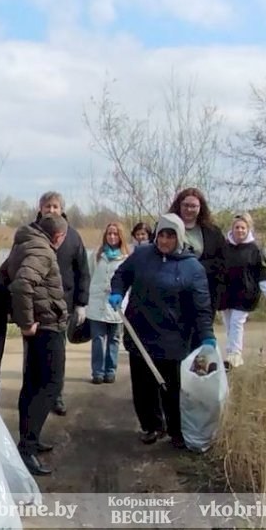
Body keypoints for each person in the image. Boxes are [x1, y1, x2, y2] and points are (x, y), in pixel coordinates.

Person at [110, 213, 216, 449]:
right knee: (143, 387)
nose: (164, 241)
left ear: (179, 237)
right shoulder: (141, 255)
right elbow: (122, 274)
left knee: (172, 389)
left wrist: (207, 336)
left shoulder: (192, 267)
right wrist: (117, 291)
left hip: (174, 337)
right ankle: (151, 426)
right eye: (161, 235)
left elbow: (202, 307)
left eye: (170, 236)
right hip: (140, 333)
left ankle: (177, 430)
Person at [0, 213, 70, 476]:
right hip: (46, 326)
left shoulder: (23, 244)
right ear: (59, 236)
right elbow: (22, 284)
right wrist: (26, 322)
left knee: (32, 385)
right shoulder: (43, 251)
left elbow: (3, 275)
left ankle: (30, 439)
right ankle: (27, 449)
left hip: (41, 326)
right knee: (50, 385)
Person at [37, 191, 89, 415]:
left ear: (62, 209)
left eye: (55, 206)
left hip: (63, 306)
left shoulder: (73, 237)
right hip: (36, 306)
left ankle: (55, 396)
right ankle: (35, 396)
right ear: (40, 209)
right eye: (47, 206)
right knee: (34, 355)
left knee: (57, 355)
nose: (51, 210)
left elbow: (83, 272)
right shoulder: (31, 233)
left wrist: (81, 303)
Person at [219, 213, 266, 369]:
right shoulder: (224, 247)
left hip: (245, 293)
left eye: (243, 228)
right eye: (237, 227)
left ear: (248, 229)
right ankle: (231, 353)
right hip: (226, 293)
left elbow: (263, 274)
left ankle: (235, 355)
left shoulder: (255, 250)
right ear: (232, 229)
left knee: (236, 322)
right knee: (229, 324)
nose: (240, 230)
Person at [86, 221, 131, 385]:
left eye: (115, 234)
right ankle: (97, 372)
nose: (112, 237)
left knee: (114, 339)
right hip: (97, 303)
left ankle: (110, 370)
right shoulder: (97, 255)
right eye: (109, 234)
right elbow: (88, 276)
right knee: (98, 339)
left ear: (120, 236)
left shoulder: (126, 258)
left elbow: (129, 282)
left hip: (115, 305)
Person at [168, 188, 225, 309]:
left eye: (193, 206)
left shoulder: (213, 232)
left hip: (204, 292)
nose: (189, 209)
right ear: (179, 205)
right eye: (185, 205)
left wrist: (196, 268)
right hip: (172, 293)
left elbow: (222, 262)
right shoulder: (165, 228)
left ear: (200, 208)